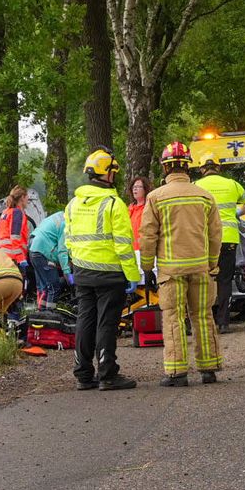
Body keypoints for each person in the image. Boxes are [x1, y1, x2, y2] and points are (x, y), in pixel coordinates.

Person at [141, 142, 223, 386]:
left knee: (173, 318)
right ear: (188, 167)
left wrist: (147, 268)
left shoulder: (155, 197)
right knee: (203, 316)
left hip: (171, 270)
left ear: (166, 168)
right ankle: (209, 369)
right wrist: (212, 264)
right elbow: (215, 234)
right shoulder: (205, 196)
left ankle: (177, 373)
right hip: (201, 269)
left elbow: (148, 235)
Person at [64, 147, 139, 391]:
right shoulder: (113, 203)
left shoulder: (73, 204)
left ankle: (83, 374)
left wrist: (76, 267)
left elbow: (69, 239)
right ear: (107, 174)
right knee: (106, 323)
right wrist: (132, 275)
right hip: (110, 274)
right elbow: (123, 245)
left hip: (83, 272)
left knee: (85, 320)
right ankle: (107, 374)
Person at [195, 151, 245, 334]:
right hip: (228, 239)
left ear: (202, 168)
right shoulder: (231, 184)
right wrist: (238, 213)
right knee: (225, 281)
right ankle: (223, 322)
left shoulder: (196, 186)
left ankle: (206, 320)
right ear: (218, 168)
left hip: (205, 240)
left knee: (205, 280)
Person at [28, 210, 71, 308]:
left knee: (46, 288)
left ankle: (42, 312)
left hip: (33, 249)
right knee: (54, 287)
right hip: (43, 252)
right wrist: (67, 272)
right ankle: (50, 314)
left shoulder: (58, 215)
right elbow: (62, 251)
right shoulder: (66, 225)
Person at [0, 185, 33, 274]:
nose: (28, 201)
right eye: (27, 197)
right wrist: (21, 258)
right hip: (14, 257)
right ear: (22, 198)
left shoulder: (6, 212)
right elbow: (15, 237)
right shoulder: (17, 213)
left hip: (3, 255)